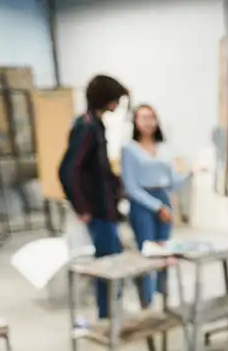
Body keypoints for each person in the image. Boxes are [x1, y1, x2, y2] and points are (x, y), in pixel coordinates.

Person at [59, 74, 131, 321]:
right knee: (107, 266)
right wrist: (82, 207)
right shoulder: (86, 127)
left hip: (106, 208)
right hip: (98, 211)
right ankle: (108, 316)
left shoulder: (96, 125)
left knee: (114, 261)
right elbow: (68, 170)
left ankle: (112, 312)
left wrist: (116, 184)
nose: (117, 105)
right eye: (116, 99)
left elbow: (98, 169)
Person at [121, 104, 180, 305]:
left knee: (165, 252)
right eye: (143, 118)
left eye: (151, 117)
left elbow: (172, 180)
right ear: (136, 122)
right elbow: (131, 186)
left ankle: (163, 299)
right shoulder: (129, 149)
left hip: (163, 197)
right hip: (142, 203)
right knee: (146, 252)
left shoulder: (163, 148)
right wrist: (157, 207)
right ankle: (146, 301)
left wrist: (192, 172)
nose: (148, 122)